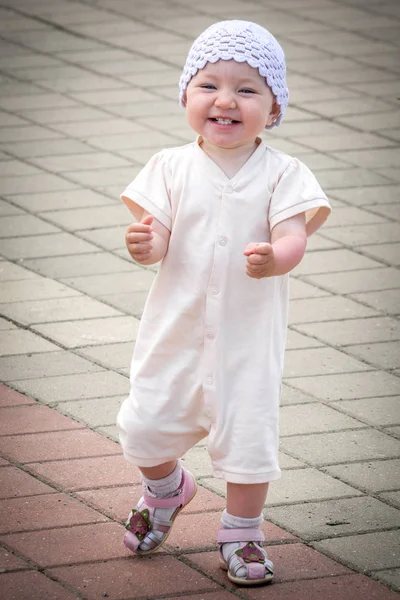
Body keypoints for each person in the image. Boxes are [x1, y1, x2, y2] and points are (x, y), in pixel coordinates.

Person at [117, 19, 331, 586]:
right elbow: (157, 232)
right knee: (142, 425)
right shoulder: (169, 166)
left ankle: (243, 531)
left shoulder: (283, 173)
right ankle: (167, 490)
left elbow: (295, 235)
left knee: (248, 436)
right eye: (209, 85)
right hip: (175, 333)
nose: (226, 101)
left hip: (246, 341)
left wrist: (277, 256)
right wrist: (147, 244)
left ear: (275, 108)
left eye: (248, 89)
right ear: (186, 95)